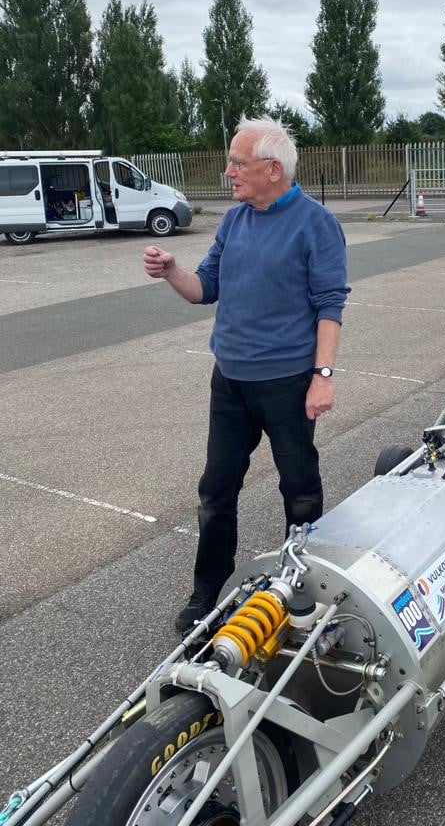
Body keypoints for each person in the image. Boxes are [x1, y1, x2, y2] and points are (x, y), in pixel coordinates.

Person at [143, 115, 350, 633]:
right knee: (216, 489)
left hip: (286, 383)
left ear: (273, 169)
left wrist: (322, 375)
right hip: (230, 381)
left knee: (299, 489)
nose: (228, 172)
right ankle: (207, 593)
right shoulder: (235, 221)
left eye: (238, 162)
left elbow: (329, 306)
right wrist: (172, 271)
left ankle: (296, 589)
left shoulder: (316, 224)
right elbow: (203, 288)